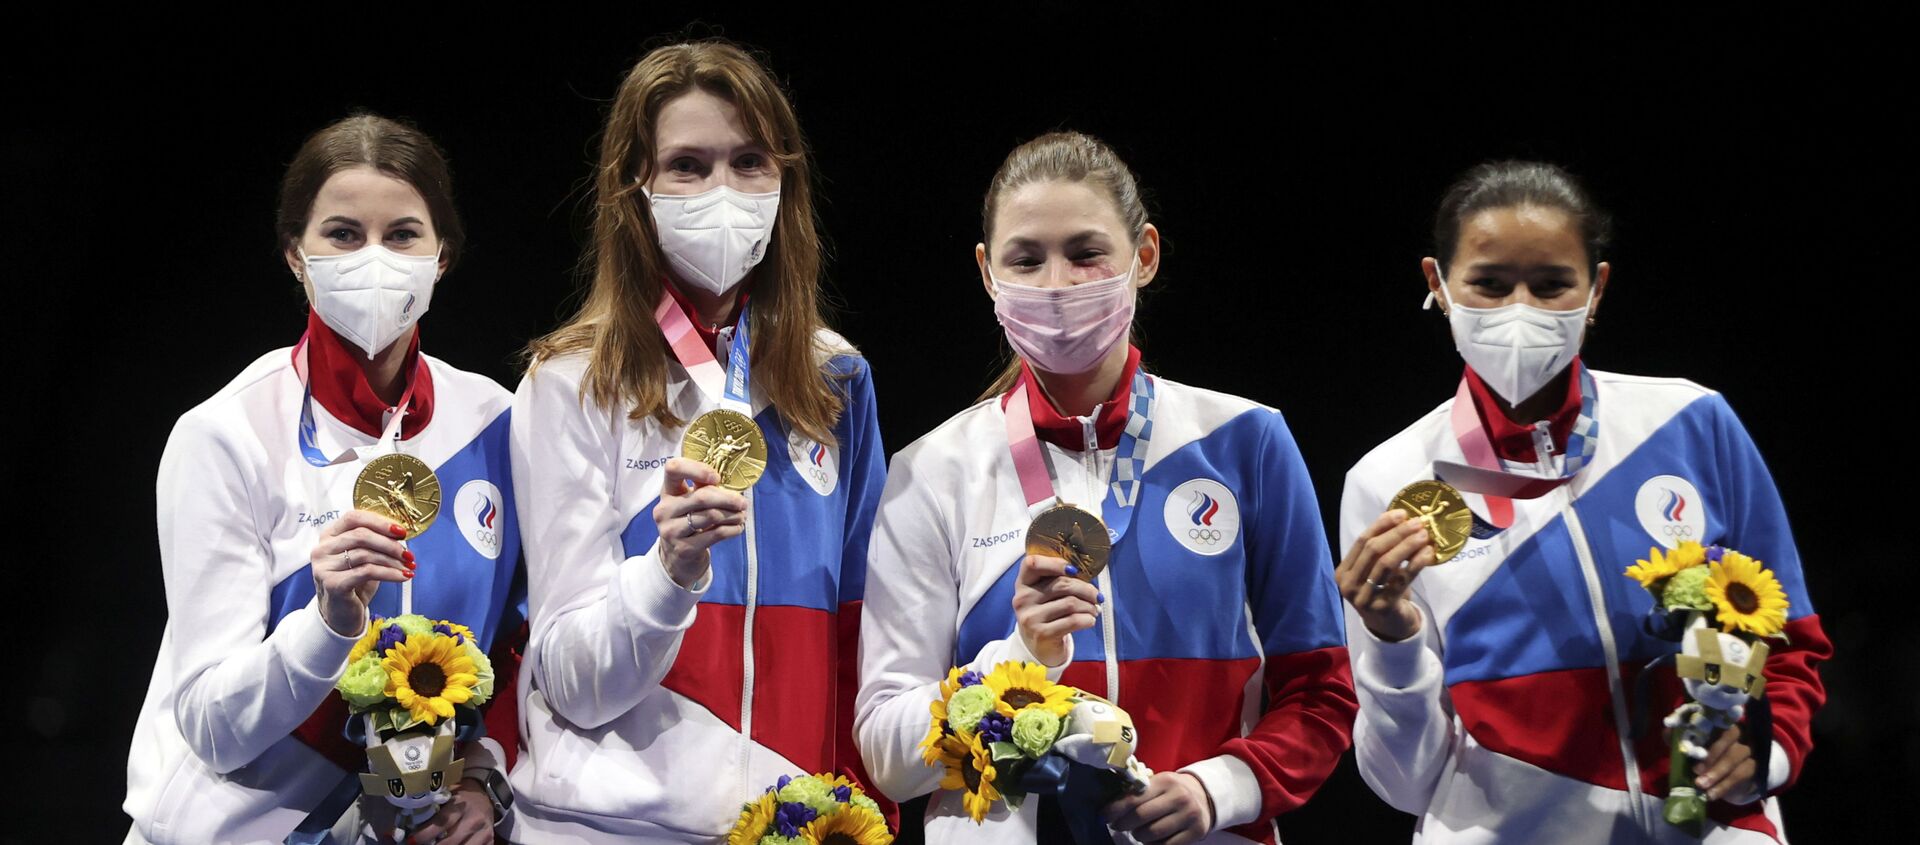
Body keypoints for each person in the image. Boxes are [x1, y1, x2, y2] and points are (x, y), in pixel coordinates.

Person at [856, 131, 1356, 844]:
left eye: (1086, 253)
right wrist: (1017, 660)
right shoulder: (932, 470)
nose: (1057, 283)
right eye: (1025, 259)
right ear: (987, 273)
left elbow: (1323, 692)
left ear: (1143, 256)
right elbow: (885, 750)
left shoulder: (1247, 441)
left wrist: (1219, 788)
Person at [1336, 160, 1830, 843]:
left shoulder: (1691, 422)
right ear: (1438, 285)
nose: (1520, 311)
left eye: (1550, 285)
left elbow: (1793, 640)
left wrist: (1767, 754)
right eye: (1488, 283)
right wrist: (1393, 641)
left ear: (1595, 289)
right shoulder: (1387, 480)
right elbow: (1406, 782)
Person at [507, 39, 886, 842]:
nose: (722, 190)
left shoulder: (836, 379)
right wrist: (667, 573)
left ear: (786, 182)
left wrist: (861, 815)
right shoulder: (568, 382)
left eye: (749, 161)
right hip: (604, 826)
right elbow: (572, 682)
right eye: (687, 165)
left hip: (787, 825)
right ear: (632, 188)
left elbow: (860, 637)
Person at [123, 113, 522, 845]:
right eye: (342, 234)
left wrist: (479, 773)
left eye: (402, 234)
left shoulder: (496, 422)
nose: (374, 258)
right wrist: (328, 623)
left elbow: (517, 647)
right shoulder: (226, 435)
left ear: (443, 255)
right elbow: (214, 726)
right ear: (294, 256)